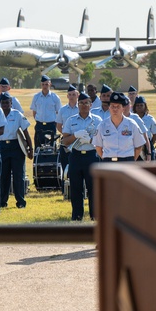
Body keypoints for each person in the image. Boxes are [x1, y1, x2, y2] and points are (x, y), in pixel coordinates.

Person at [60, 92, 100, 221]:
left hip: (91, 156)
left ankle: (95, 216)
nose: (84, 105)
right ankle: (77, 216)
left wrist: (90, 140)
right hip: (75, 156)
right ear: (78, 105)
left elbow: (103, 141)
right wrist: (75, 136)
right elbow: (64, 141)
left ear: (91, 104)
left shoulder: (97, 120)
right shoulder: (71, 120)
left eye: (86, 103)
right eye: (81, 103)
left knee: (93, 188)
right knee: (76, 188)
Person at [0, 92, 32, 209]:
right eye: (3, 102)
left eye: (7, 102)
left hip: (16, 146)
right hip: (2, 147)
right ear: (0, 103)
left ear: (11, 103)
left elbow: (26, 132)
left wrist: (30, 149)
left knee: (19, 176)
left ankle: (20, 202)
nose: (5, 104)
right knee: (3, 176)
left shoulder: (17, 114)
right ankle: (2, 201)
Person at [92, 92, 145, 162]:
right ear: (109, 108)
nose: (115, 109)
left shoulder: (132, 124)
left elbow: (138, 146)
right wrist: (106, 159)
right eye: (112, 106)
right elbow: (98, 147)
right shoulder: (102, 126)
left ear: (123, 108)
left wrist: (131, 161)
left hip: (126, 161)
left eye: (118, 107)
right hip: (109, 162)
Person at [30, 75, 62, 149]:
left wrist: (55, 124)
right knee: (38, 147)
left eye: (46, 84)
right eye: (43, 84)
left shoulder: (55, 97)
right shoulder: (36, 97)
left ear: (50, 84)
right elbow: (34, 112)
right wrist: (39, 121)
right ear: (41, 84)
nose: (45, 86)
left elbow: (58, 112)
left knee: (51, 148)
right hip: (39, 126)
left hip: (51, 125)